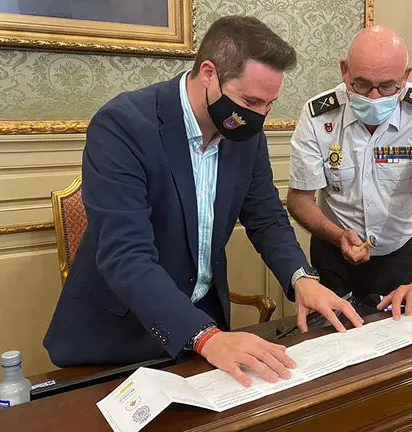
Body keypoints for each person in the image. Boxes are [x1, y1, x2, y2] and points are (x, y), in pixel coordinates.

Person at [44, 16, 363, 387]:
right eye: (250, 101)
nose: (259, 117)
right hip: (117, 341)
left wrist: (301, 278)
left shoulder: (244, 132)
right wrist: (205, 336)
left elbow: (266, 217)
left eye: (269, 104)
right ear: (208, 73)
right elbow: (125, 255)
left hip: (202, 332)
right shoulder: (122, 126)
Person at [287, 26, 412, 320]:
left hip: (403, 255)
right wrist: (338, 236)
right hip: (334, 256)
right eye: (362, 85)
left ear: (405, 77)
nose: (375, 97)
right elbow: (299, 200)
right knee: (334, 348)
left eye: (388, 86)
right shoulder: (317, 115)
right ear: (344, 71)